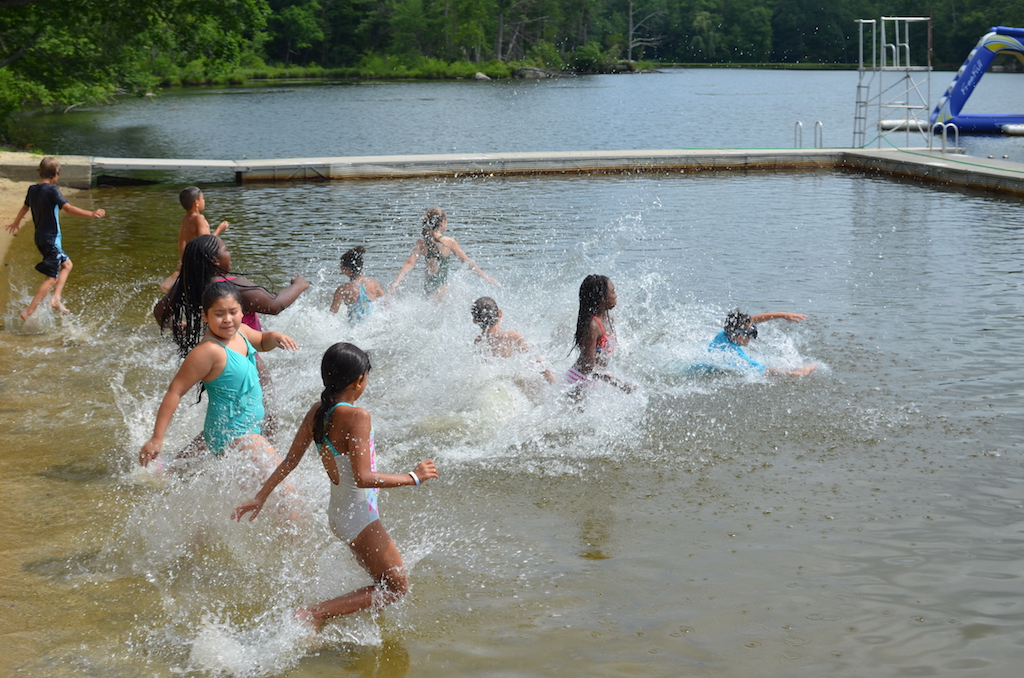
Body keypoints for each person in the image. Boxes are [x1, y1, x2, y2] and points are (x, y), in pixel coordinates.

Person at [232, 342, 438, 630]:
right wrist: (413, 477)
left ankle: (350, 632)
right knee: (395, 588)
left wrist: (260, 497)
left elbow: (290, 460)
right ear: (359, 381)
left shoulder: (319, 410)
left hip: (341, 515)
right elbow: (364, 477)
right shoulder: (357, 416)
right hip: (358, 517)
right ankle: (312, 614)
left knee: (383, 583)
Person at [154, 234, 309, 439]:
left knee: (228, 417)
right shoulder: (232, 287)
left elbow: (160, 312)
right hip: (243, 355)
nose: (230, 253)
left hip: (215, 361)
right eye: (225, 249)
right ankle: (266, 453)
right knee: (267, 411)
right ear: (215, 261)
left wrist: (179, 327)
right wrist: (299, 285)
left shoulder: (188, 286)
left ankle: (176, 462)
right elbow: (275, 305)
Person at [139, 282, 298, 467]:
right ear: (205, 316)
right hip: (233, 434)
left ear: (242, 312)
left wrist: (274, 336)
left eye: (233, 312)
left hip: (246, 429)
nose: (227, 319)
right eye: (219, 314)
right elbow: (175, 391)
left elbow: (262, 341)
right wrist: (156, 439)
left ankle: (167, 469)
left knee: (261, 490)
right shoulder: (208, 351)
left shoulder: (241, 333)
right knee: (285, 489)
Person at [4, 157, 105, 320]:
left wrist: (16, 222)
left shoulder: (32, 189)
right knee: (51, 279)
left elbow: (25, 207)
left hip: (40, 238)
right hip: (51, 240)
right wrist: (91, 214)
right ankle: (29, 311)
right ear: (56, 175)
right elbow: (68, 209)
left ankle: (56, 298)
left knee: (67, 264)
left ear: (40, 172)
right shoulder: (52, 190)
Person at [390, 207, 498, 298]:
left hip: (427, 288)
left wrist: (396, 282)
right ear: (442, 223)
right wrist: (485, 277)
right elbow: (467, 262)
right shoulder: (449, 242)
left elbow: (409, 263)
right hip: (442, 290)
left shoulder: (421, 243)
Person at [565, 274, 635, 394]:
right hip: (578, 382)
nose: (616, 296)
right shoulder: (593, 325)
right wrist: (619, 383)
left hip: (593, 380)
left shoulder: (608, 319)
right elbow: (588, 365)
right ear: (602, 298)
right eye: (613, 292)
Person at [706, 308, 817, 376]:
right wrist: (801, 372)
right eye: (751, 332)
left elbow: (753, 319)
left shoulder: (723, 335)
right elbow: (768, 371)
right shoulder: (738, 357)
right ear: (740, 337)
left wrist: (782, 315)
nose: (752, 336)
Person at [160, 186, 229, 292]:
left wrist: (183, 259)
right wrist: (219, 229)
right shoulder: (199, 218)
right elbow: (205, 242)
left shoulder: (186, 218)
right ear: (196, 203)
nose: (204, 201)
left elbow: (181, 240)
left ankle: (178, 276)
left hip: (191, 257)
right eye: (203, 199)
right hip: (200, 258)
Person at [471, 296, 555, 383]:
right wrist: (554, 383)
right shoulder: (511, 336)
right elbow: (537, 361)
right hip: (520, 382)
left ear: (475, 321)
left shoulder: (478, 342)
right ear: (500, 313)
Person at [330, 246, 385, 322]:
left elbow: (332, 314)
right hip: (374, 325)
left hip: (355, 329)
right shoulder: (373, 283)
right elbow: (386, 303)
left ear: (347, 270)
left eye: (341, 265)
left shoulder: (342, 289)